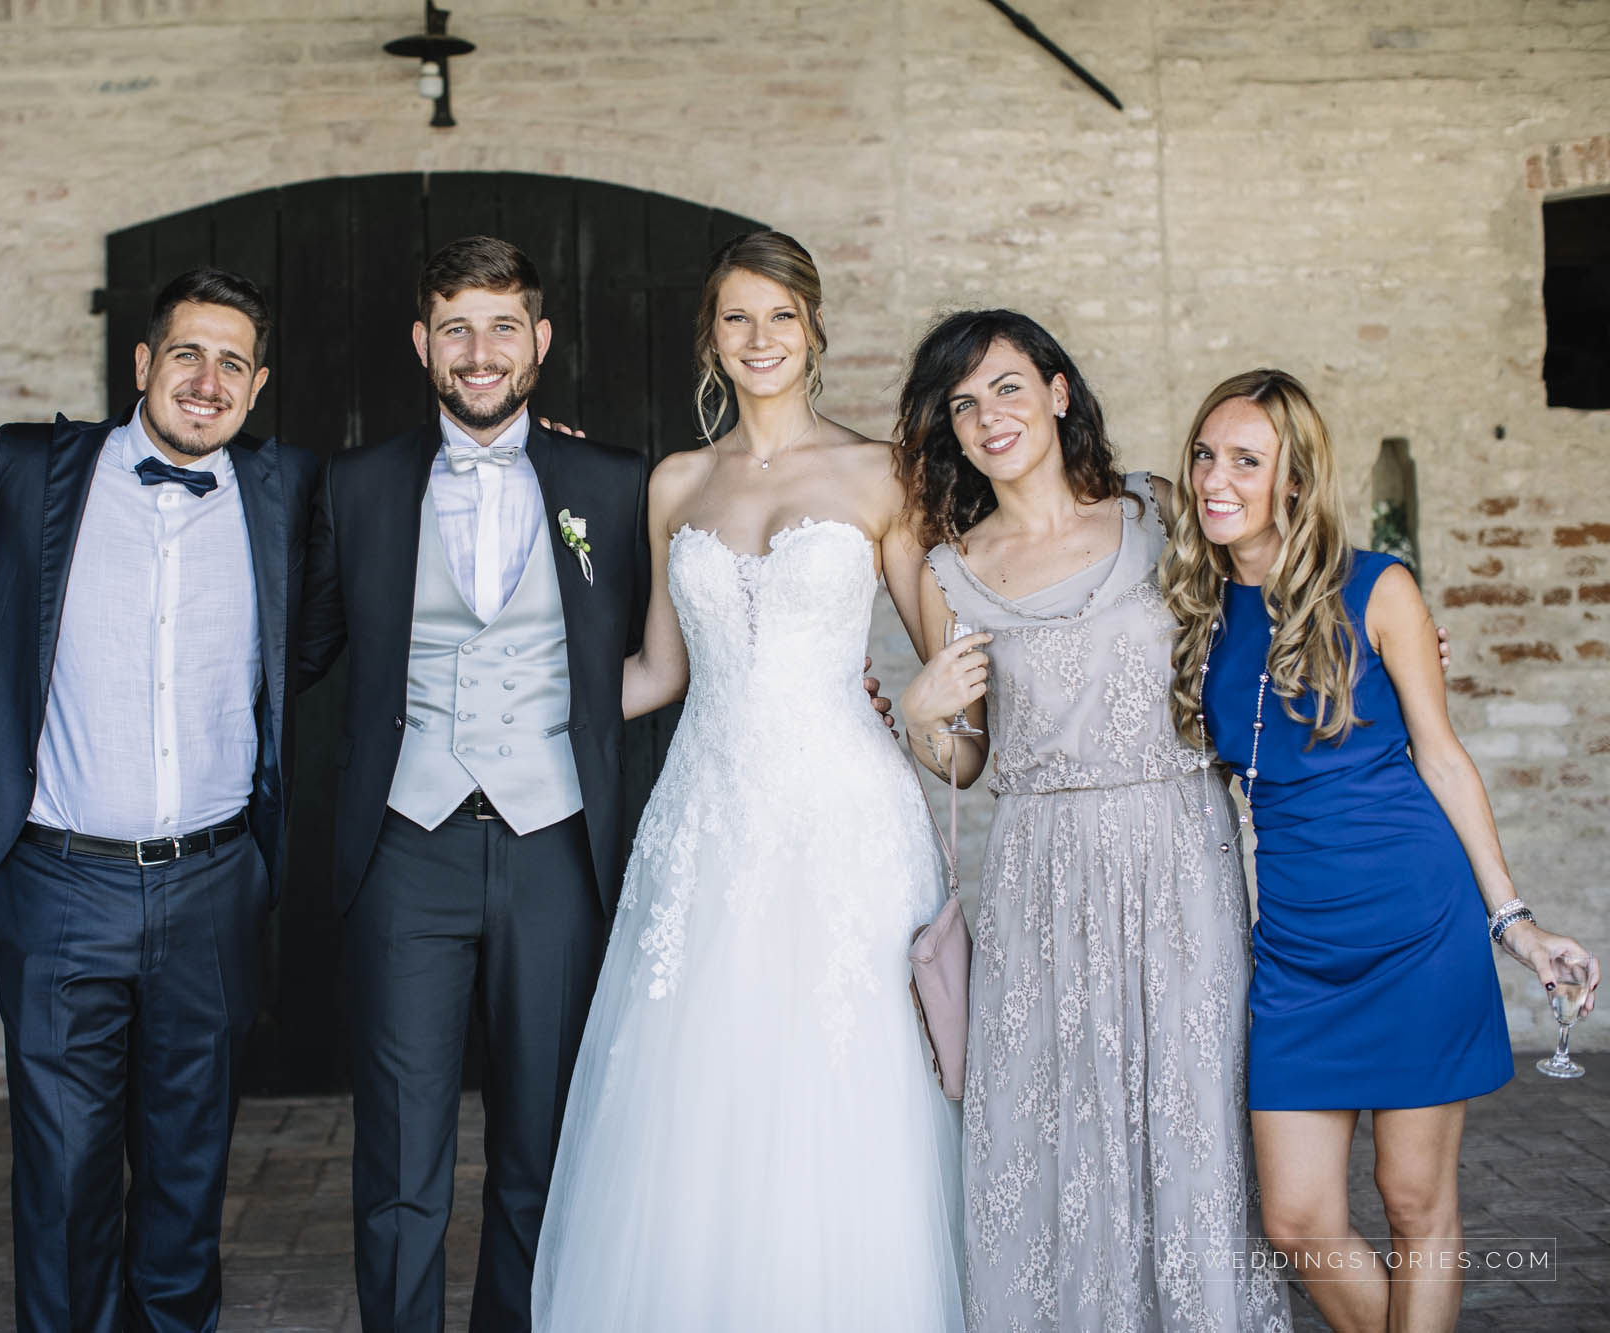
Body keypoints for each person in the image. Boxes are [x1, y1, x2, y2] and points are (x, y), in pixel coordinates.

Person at [530, 230, 966, 1331]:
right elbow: (655, 673)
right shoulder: (676, 481)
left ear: (813, 328)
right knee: (696, 1102)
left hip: (846, 827)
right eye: (736, 317)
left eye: (779, 314)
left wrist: (929, 725)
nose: (758, 337)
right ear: (710, 338)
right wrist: (508, 696)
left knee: (843, 1090)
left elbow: (951, 681)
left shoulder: (882, 473)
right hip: (705, 825)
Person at [1162, 368, 1599, 1331]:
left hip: (1417, 929)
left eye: (1246, 459)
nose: (1214, 479)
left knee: (1415, 1206)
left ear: (1295, 479)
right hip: (1298, 952)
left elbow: (1443, 759)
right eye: (1203, 453)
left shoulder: (1378, 587)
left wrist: (1516, 926)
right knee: (1298, 1215)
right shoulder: (1193, 609)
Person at [895, 310, 1290, 1330]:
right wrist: (922, 718)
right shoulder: (949, 571)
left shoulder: (1158, 511)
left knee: (1191, 1111)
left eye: (1008, 387)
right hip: (1040, 872)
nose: (988, 416)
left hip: (1178, 852)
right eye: (964, 403)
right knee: (1054, 1123)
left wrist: (1380, 626)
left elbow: (1274, 609)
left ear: (1058, 392)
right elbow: (968, 763)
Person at [0, 268, 317, 1332]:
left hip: (210, 883)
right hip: (61, 880)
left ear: (257, 387)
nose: (208, 381)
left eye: (232, 363)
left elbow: (330, 629)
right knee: (62, 1180)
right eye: (187, 354)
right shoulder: (31, 469)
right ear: (142, 363)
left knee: (187, 1170)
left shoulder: (285, 491)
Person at [295, 236, 652, 1333]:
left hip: (555, 844)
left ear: (540, 342)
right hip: (409, 845)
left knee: (536, 1148)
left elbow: (690, 643)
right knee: (400, 1156)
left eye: (503, 327)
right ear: (421, 344)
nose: (479, 351)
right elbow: (292, 647)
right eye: (456, 327)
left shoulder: (615, 484)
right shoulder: (354, 486)